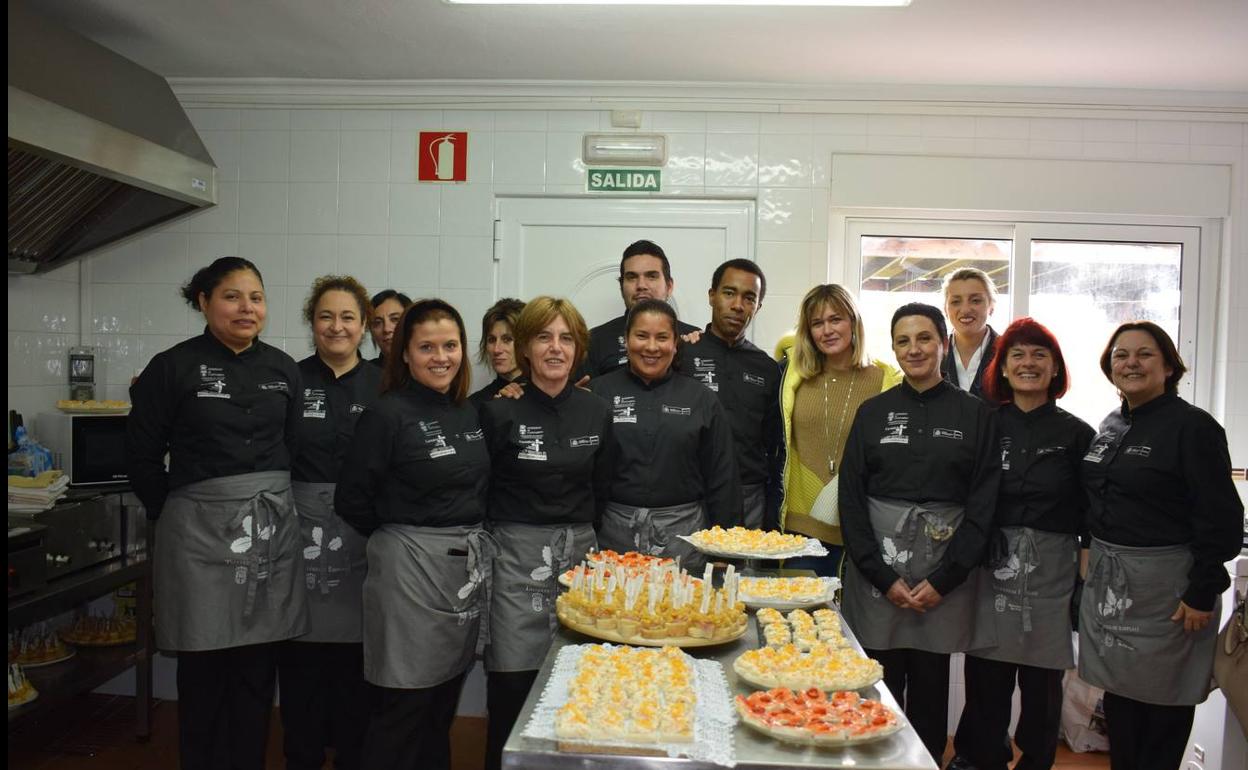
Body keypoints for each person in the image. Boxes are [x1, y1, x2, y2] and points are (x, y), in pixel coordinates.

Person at [126, 256, 307, 770]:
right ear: (204, 302)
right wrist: (180, 513)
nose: (246, 308)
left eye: (256, 297)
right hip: (197, 536)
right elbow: (141, 456)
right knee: (204, 667)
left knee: (256, 667)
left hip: (267, 530)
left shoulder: (282, 369)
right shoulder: (172, 366)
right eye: (232, 296)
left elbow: (288, 447)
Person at [335, 299, 494, 770]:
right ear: (404, 353)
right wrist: (403, 541)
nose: (440, 357)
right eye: (427, 347)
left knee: (440, 705)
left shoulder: (467, 412)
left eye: (450, 346)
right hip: (407, 578)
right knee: (403, 708)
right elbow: (352, 499)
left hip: (457, 578)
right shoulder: (387, 415)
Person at [838, 302, 1000, 763]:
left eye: (924, 338)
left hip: (942, 576)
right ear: (894, 349)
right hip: (877, 576)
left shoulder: (975, 415)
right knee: (875, 689)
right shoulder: (872, 413)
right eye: (904, 341)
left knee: (930, 693)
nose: (915, 349)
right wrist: (880, 575)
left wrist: (947, 578)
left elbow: (984, 505)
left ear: (943, 344)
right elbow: (851, 499)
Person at [1079, 321, 1242, 770]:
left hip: (1169, 592)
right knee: (1121, 704)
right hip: (1113, 588)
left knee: (1163, 707)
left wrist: (1201, 590)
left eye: (1144, 354)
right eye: (1120, 355)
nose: (1130, 362)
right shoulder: (1111, 424)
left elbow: (1223, 520)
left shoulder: (1193, 428)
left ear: (1169, 365)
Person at [948, 318, 1094, 770]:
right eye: (1017, 355)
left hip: (1053, 569)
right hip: (992, 563)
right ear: (1003, 370)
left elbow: (1091, 514)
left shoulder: (1078, 434)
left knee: (1042, 680)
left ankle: (1036, 759)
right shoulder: (985, 424)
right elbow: (965, 490)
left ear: (1055, 369)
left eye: (1039, 355)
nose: (1028, 363)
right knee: (987, 671)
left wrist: (1083, 581)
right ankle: (980, 757)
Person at [479, 297, 612, 770]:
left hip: (578, 560)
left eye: (566, 338)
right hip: (514, 563)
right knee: (512, 685)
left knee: (574, 682)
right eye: (543, 337)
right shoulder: (497, 413)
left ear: (578, 349)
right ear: (525, 348)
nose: (555, 348)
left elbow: (604, 486)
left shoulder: (597, 412)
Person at [279, 275, 382, 770]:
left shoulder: (387, 386)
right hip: (299, 536)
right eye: (325, 316)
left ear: (364, 325)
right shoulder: (289, 380)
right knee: (300, 661)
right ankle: (301, 753)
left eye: (347, 317)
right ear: (311, 323)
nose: (336, 326)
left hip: (366, 539)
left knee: (356, 666)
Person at [590, 298, 741, 572]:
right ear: (626, 340)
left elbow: (723, 477)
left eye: (662, 338)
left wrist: (726, 550)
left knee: (679, 613)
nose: (651, 347)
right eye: (641, 336)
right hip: (612, 537)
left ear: (675, 344)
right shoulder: (599, 394)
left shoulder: (701, 399)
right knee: (612, 610)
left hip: (684, 537)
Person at [777, 284, 901, 576]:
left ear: (854, 322)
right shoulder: (792, 376)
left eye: (836, 319)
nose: (827, 330)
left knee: (849, 621)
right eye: (817, 323)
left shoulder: (886, 379)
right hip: (800, 530)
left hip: (859, 527)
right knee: (798, 617)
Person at [677, 259, 783, 530]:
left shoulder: (768, 369)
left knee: (743, 573)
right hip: (690, 494)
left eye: (749, 298)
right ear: (712, 296)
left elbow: (772, 443)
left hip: (749, 496)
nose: (738, 305)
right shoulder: (682, 353)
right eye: (729, 293)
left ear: (757, 307)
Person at [580, 240, 698, 378]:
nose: (641, 285)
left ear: (669, 286)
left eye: (651, 276)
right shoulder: (594, 341)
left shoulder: (693, 338)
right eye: (632, 277)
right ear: (621, 287)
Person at [940, 267, 999, 401]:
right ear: (945, 309)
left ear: (991, 306)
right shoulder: (934, 355)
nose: (965, 309)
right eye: (955, 302)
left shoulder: (1009, 353)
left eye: (975, 300)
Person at [469, 297, 526, 408]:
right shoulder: (474, 405)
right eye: (491, 340)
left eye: (507, 339)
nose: (497, 349)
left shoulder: (545, 395)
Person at [367, 289, 411, 369]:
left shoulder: (426, 369)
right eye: (377, 322)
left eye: (395, 319)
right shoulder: (364, 374)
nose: (386, 329)